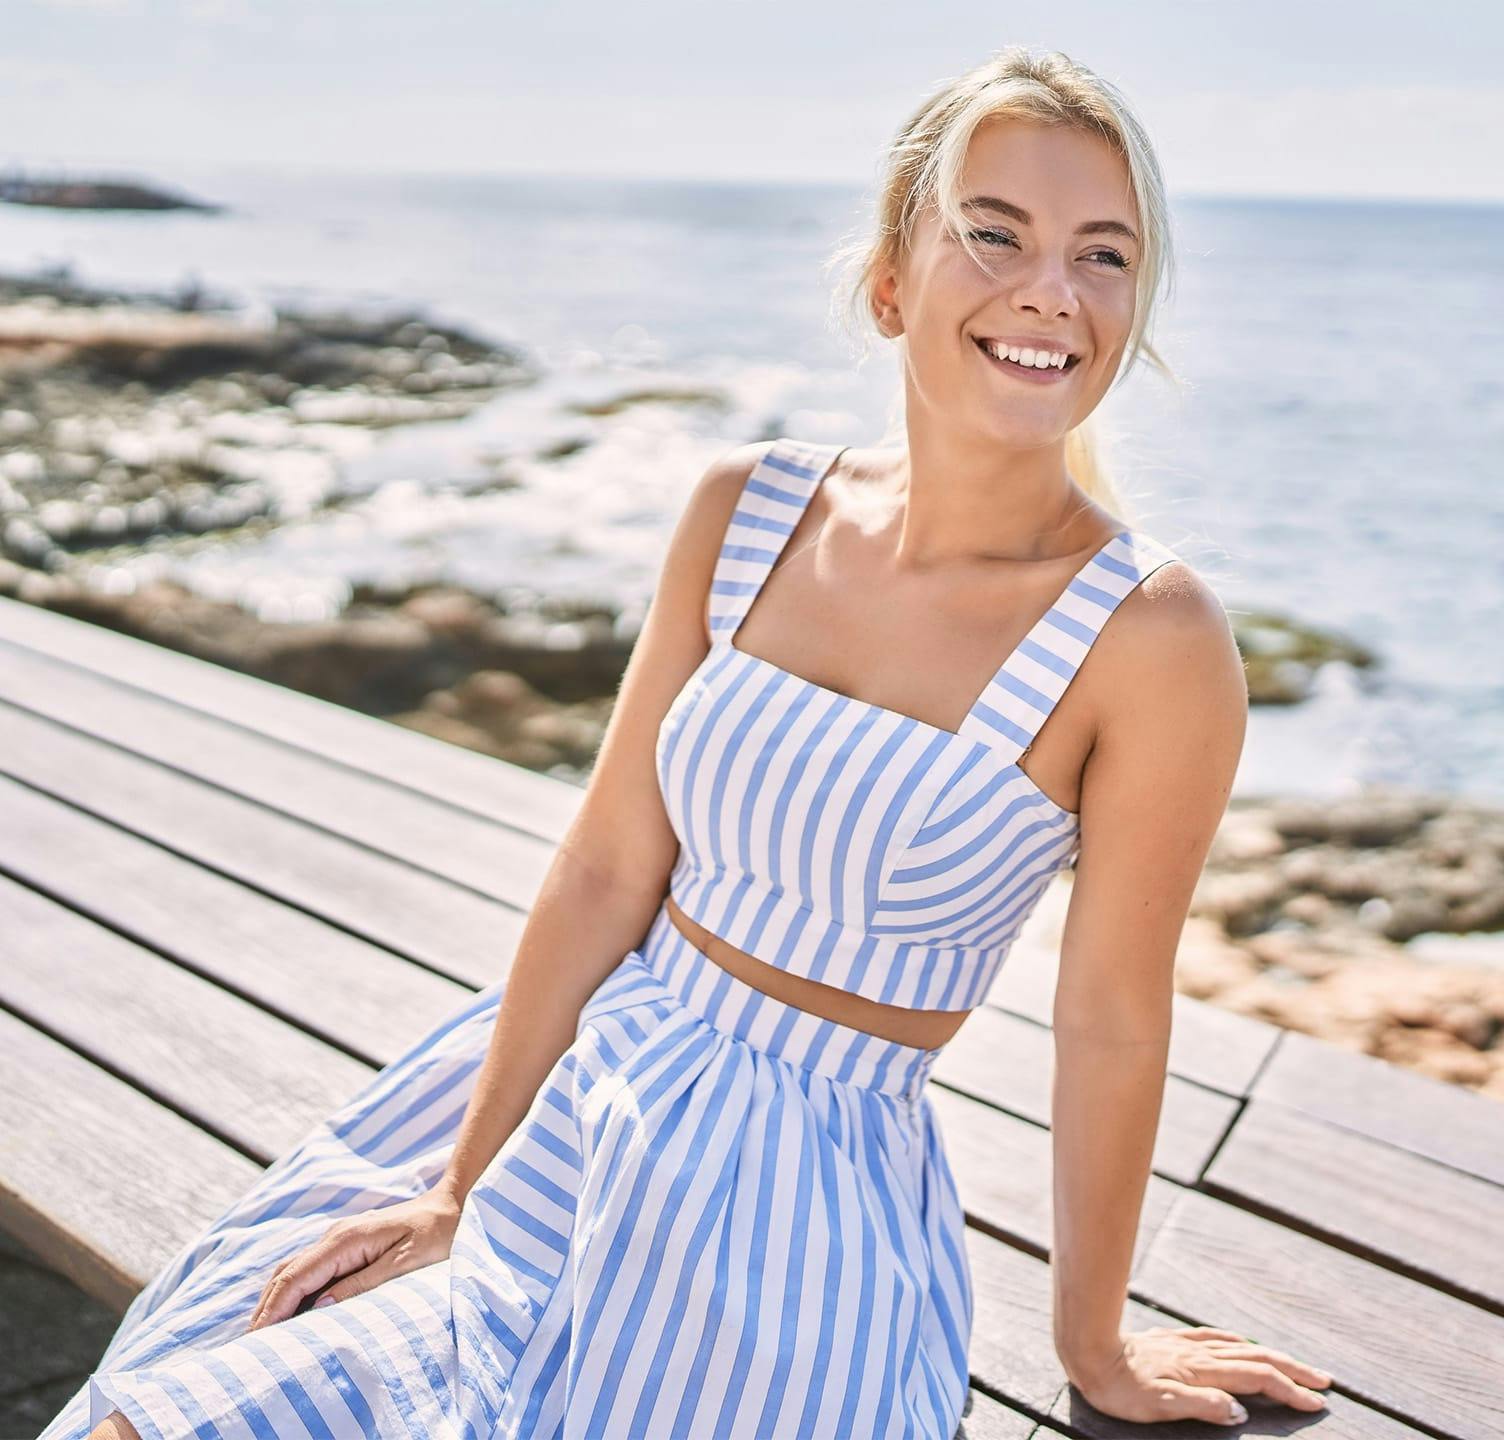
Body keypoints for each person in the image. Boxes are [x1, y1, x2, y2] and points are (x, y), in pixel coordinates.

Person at [55, 44, 1335, 1440]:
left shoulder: (1150, 637)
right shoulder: (748, 511)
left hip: (791, 1217)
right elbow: (608, 866)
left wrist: (1096, 1349)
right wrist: (458, 1183)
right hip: (563, 1104)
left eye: (1105, 254)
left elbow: (1109, 1017)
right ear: (890, 281)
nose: (1053, 290)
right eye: (995, 233)